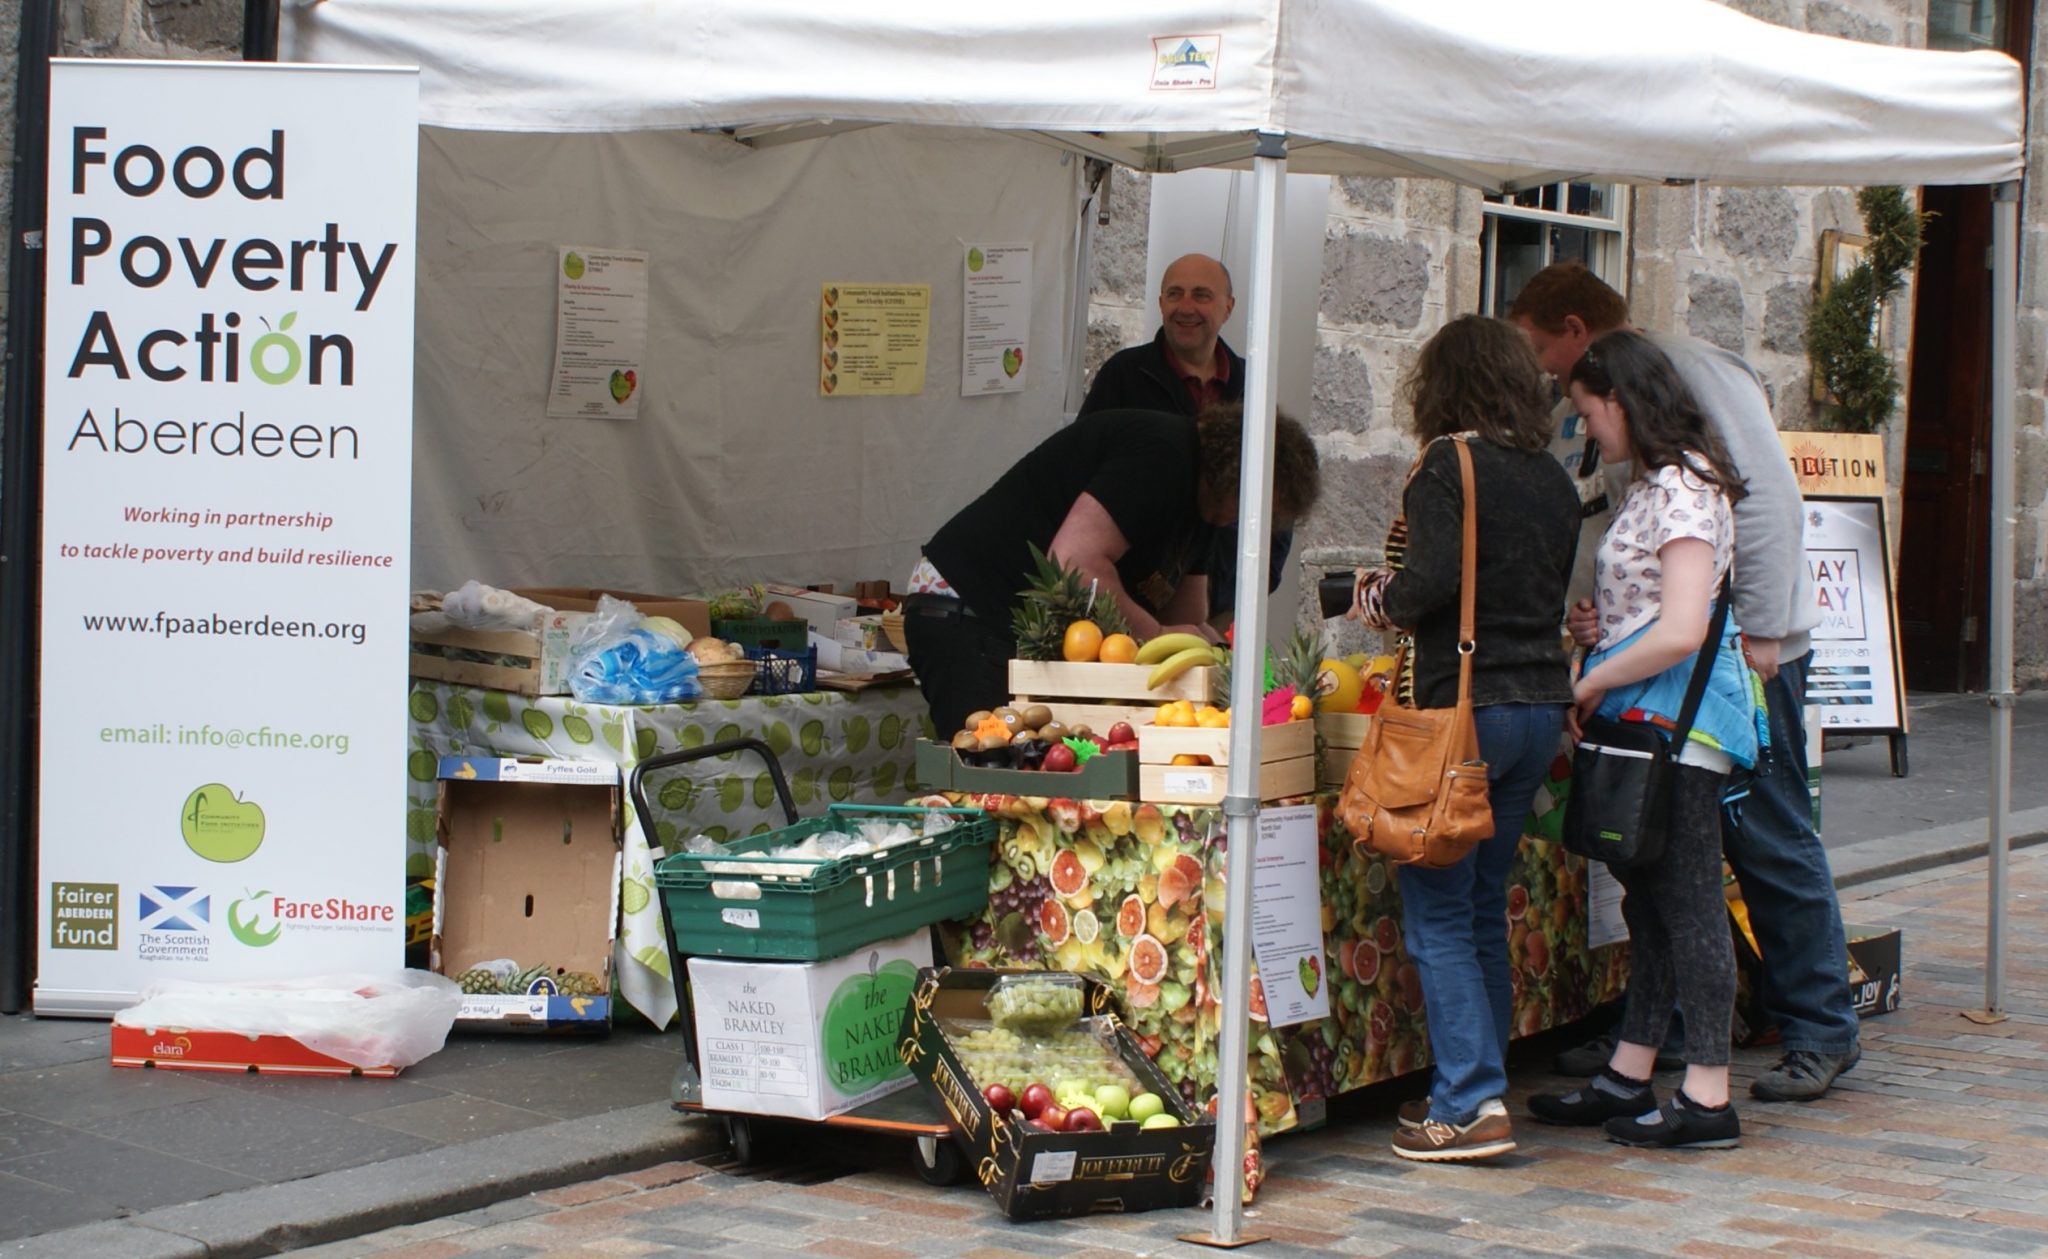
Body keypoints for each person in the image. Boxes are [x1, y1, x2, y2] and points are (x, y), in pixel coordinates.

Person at [1511, 262, 1861, 1103]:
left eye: (1542, 352)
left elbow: (1771, 495)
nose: (1546, 376)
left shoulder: (1684, 380)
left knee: (1763, 833)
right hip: (1669, 668)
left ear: (1576, 333)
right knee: (1670, 860)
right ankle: (1657, 1030)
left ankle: (1820, 1025)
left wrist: (1767, 632)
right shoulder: (1640, 405)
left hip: (1731, 658)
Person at [1346, 316, 1579, 1162]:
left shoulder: (1451, 463)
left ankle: (1470, 1099)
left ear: (1440, 384)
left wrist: (1374, 595)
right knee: (1482, 902)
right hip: (1535, 706)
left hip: (1459, 715)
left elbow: (1429, 586)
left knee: (1438, 912)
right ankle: (1480, 1082)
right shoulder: (1552, 477)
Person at [1526, 329, 1764, 1149]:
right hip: (1653, 718)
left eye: (1591, 412)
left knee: (1690, 901)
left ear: (1622, 400)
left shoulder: (1685, 489)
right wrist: (1601, 627)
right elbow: (1655, 609)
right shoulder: (1660, 483)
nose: (1589, 431)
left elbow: (1685, 628)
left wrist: (1590, 679)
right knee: (1655, 903)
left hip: (1680, 725)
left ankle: (1706, 1096)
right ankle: (1632, 1070)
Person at [903, 405, 1321, 735]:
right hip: (967, 609)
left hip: (1006, 630)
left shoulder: (1206, 510)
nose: (1248, 523)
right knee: (988, 770)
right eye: (1255, 508)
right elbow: (1073, 560)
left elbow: (1187, 621)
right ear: (1238, 476)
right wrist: (1154, 638)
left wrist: (1213, 658)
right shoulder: (1162, 456)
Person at [1080, 253, 1287, 618]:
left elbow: (1277, 489)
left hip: (1223, 594)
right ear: (1160, 303)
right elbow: (1084, 475)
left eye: (1201, 295)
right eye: (1175, 294)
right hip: (1129, 598)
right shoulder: (1125, 376)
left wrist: (1256, 580)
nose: (1186, 307)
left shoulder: (1254, 388)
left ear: (1228, 307)